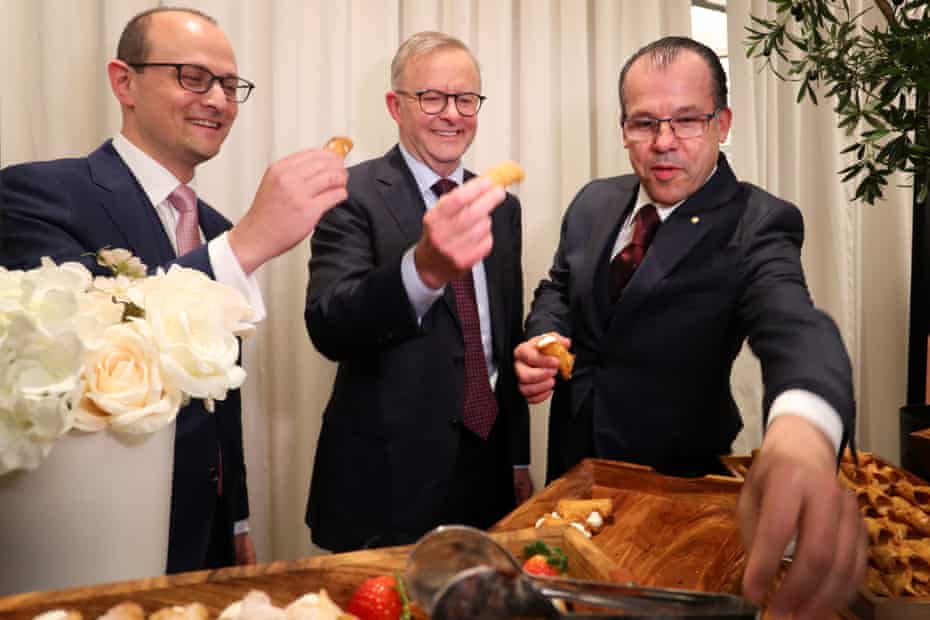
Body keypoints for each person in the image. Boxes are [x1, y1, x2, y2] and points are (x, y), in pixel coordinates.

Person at [514, 36, 866, 619]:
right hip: (573, 472)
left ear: (722, 123)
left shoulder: (758, 222)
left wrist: (804, 427)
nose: (663, 142)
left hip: (676, 489)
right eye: (644, 122)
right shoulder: (594, 203)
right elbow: (558, 287)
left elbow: (794, 325)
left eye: (687, 120)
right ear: (623, 127)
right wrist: (542, 336)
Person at [0, 7, 347, 572]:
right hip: (95, 535)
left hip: (203, 531)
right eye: (193, 76)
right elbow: (85, 359)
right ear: (124, 81)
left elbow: (217, 390)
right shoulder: (36, 195)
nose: (217, 99)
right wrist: (244, 249)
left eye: (230, 85)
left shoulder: (215, 224)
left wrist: (234, 517)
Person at [304, 31, 531, 552]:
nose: (451, 113)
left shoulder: (500, 205)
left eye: (465, 99)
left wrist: (517, 457)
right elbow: (330, 323)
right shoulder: (349, 194)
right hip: (383, 486)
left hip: (486, 478)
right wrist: (422, 271)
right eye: (432, 97)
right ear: (395, 105)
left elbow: (501, 338)